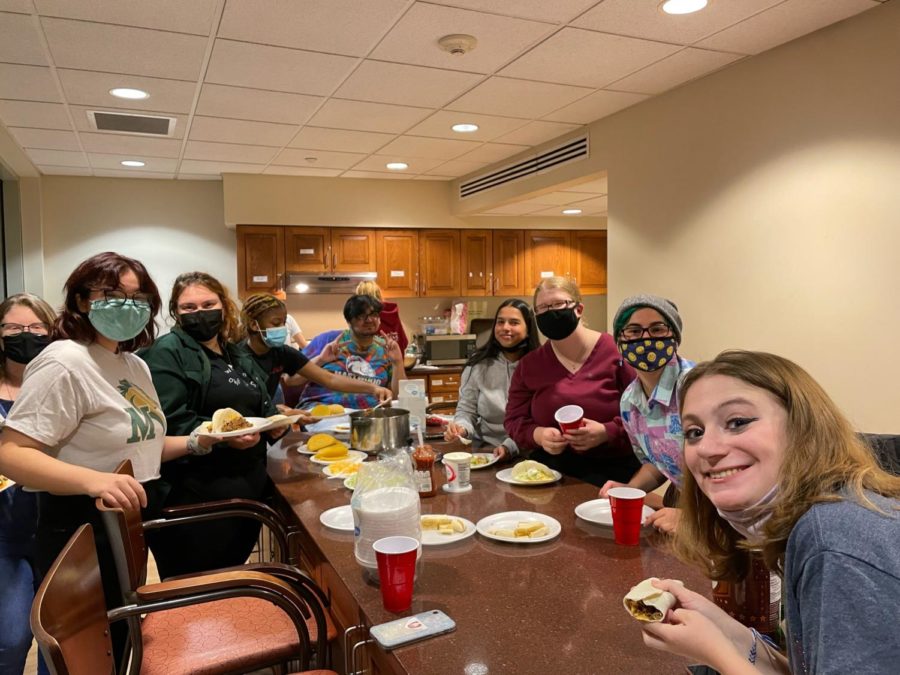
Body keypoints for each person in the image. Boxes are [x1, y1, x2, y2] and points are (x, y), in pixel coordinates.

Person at [0, 252, 211, 662]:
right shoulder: (64, 361)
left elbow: (137, 445)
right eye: (113, 294)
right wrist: (95, 481)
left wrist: (199, 442)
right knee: (92, 654)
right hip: (80, 529)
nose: (128, 306)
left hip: (124, 520)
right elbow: (11, 453)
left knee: (122, 646)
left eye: (139, 297)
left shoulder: (131, 365)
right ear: (81, 300)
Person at [641, 351, 900, 674]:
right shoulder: (816, 522)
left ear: (803, 427)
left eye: (737, 422)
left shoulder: (836, 539)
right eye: (695, 432)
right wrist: (724, 630)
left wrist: (716, 652)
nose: (706, 448)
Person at [139, 272, 276, 578]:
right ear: (175, 312)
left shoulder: (232, 351)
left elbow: (257, 399)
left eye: (207, 303)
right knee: (200, 590)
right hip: (196, 498)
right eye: (188, 307)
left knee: (230, 578)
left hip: (243, 491)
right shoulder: (167, 352)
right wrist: (227, 436)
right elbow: (170, 421)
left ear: (223, 306)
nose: (199, 313)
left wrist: (276, 419)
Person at [504, 276, 638, 487]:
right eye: (542, 308)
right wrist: (538, 435)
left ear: (579, 308)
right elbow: (514, 420)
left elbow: (645, 413)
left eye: (558, 304)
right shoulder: (529, 365)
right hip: (551, 473)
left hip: (615, 473)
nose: (551, 312)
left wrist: (607, 432)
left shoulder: (617, 352)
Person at [599, 295, 695, 534]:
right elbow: (658, 463)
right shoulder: (630, 403)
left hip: (728, 518)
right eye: (633, 331)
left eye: (657, 329)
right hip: (689, 510)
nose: (645, 338)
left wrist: (696, 520)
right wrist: (629, 491)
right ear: (620, 340)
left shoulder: (696, 387)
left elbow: (730, 467)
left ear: (674, 335)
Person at [0, 293, 55, 675]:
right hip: (4, 533)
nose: (26, 335)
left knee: (58, 642)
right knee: (10, 638)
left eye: (36, 327)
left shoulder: (61, 385)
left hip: (58, 527)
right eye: (14, 328)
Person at [240, 292, 392, 403]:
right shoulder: (236, 356)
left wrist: (373, 388)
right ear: (254, 325)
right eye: (275, 324)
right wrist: (278, 412)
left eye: (284, 323)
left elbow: (329, 379)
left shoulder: (283, 353)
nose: (282, 329)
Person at [443, 299, 539, 460]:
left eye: (514, 322)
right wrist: (461, 428)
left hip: (530, 452)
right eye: (500, 322)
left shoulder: (540, 366)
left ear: (528, 329)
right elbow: (466, 410)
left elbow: (540, 419)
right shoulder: (478, 364)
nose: (505, 328)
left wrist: (510, 446)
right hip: (485, 451)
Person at [298, 294, 406, 409]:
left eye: (373, 315)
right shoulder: (327, 340)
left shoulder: (385, 348)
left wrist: (397, 363)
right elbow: (291, 379)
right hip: (323, 411)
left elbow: (399, 398)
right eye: (361, 316)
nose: (369, 320)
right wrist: (320, 359)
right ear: (349, 321)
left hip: (369, 414)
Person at [355, 280, 408, 353]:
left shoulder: (366, 321)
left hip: (377, 364)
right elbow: (404, 343)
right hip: (396, 363)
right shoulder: (392, 313)